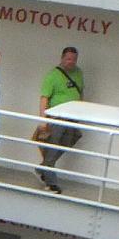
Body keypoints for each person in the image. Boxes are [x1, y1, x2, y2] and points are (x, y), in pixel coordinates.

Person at [35, 46, 84, 193]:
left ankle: (43, 168)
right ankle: (51, 182)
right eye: (68, 59)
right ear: (62, 58)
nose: (71, 62)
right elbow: (44, 98)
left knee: (70, 141)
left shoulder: (78, 73)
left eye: (74, 59)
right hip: (56, 117)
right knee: (53, 147)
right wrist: (43, 119)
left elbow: (80, 92)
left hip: (72, 117)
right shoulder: (53, 76)